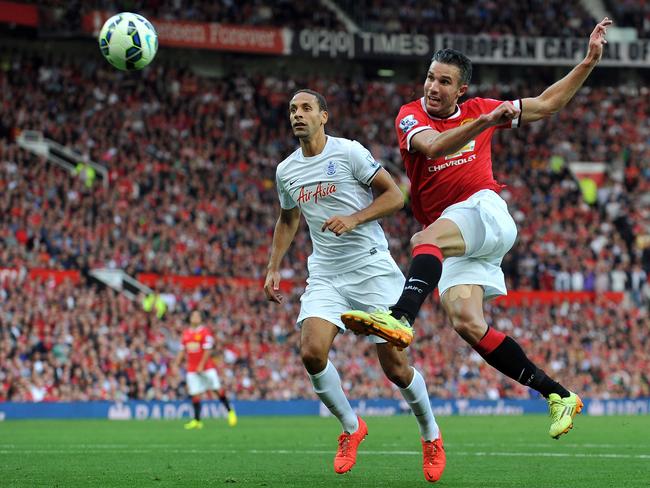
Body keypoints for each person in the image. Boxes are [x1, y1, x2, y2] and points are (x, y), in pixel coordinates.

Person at [342, 18, 613, 440]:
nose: (433, 87)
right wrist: (487, 122)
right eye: (431, 77)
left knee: (423, 239)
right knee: (467, 323)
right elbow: (432, 147)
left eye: (444, 82)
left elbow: (545, 105)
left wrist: (589, 61)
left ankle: (400, 317)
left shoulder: (478, 108)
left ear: (460, 90)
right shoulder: (410, 116)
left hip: (483, 210)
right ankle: (558, 394)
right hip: (458, 238)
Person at [264, 89, 446, 482]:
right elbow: (288, 219)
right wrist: (273, 266)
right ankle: (351, 427)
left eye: (306, 108)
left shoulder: (349, 153)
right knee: (312, 354)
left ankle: (430, 434)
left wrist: (355, 218)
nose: (298, 114)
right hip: (326, 274)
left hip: (371, 270)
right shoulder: (286, 171)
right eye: (293, 108)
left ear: (324, 116)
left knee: (396, 370)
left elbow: (396, 196)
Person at [177, 310, 237, 429]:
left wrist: (201, 365)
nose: (195, 317)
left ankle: (230, 411)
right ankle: (197, 421)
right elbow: (183, 350)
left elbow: (208, 350)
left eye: (198, 316)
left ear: (201, 319)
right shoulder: (186, 333)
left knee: (216, 389)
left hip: (207, 367)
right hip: (191, 369)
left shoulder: (205, 332)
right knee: (195, 393)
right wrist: (176, 363)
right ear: (190, 318)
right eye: (193, 315)